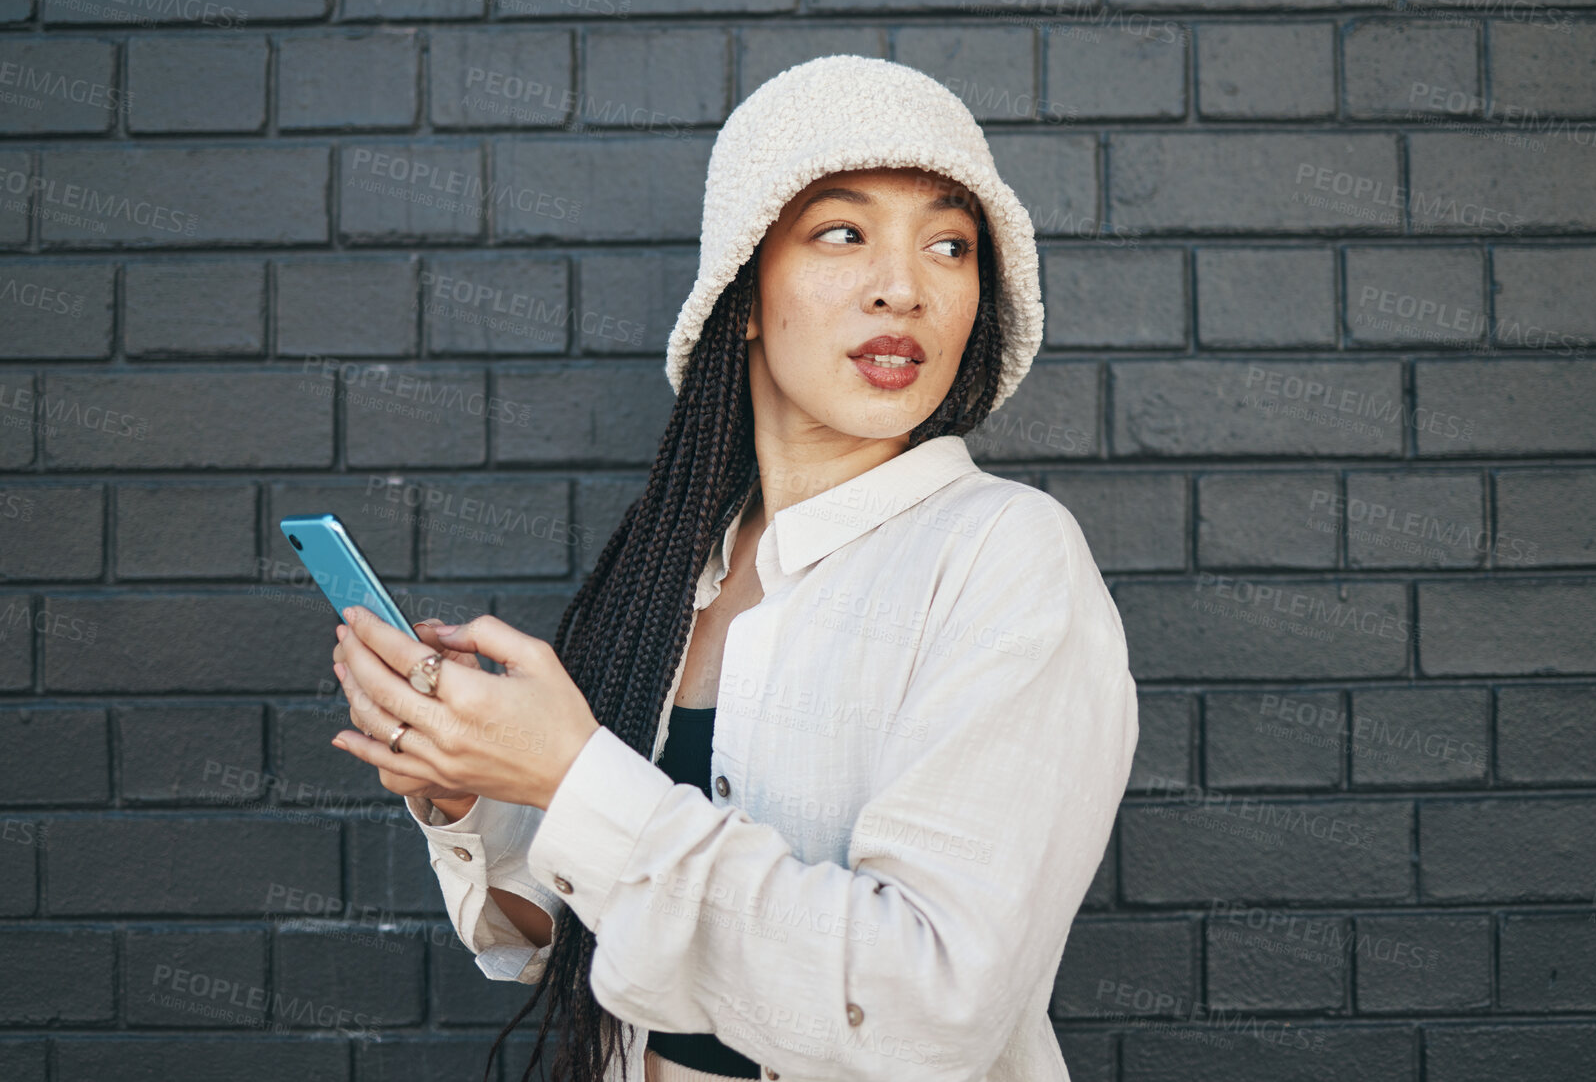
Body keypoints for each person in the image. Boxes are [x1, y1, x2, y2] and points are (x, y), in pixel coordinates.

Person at [327, 54, 1139, 1082]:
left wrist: (574, 775)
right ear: (744, 294)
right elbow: (590, 936)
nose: (906, 288)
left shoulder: (1005, 557)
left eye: (951, 244)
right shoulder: (684, 568)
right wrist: (471, 786)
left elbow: (934, 1010)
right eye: (843, 233)